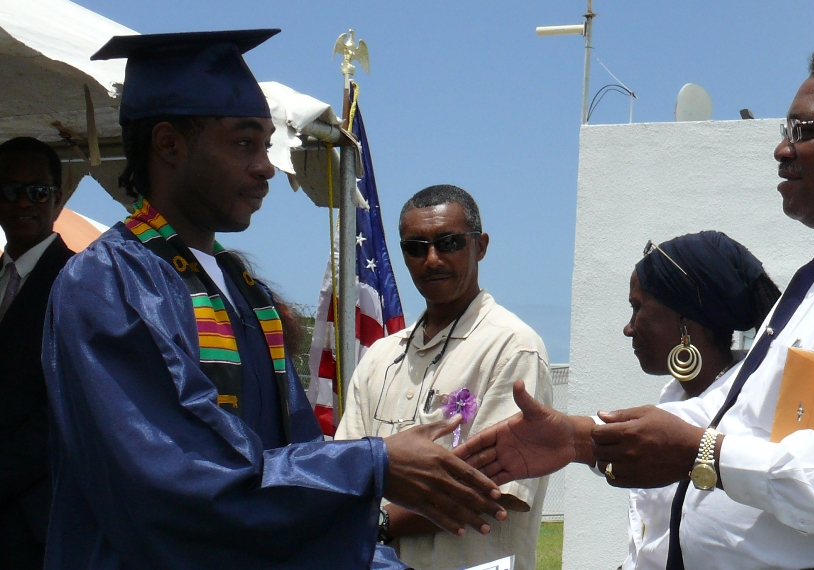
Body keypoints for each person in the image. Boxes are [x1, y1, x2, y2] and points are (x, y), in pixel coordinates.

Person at [458, 37, 814, 570]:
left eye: (805, 129)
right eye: (786, 128)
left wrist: (706, 456)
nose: (782, 148)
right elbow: (738, 415)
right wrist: (580, 438)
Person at [43, 30, 506, 570]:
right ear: (169, 145)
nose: (267, 166)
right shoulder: (107, 285)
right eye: (244, 143)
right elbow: (176, 481)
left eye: (266, 144)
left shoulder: (243, 291)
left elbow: (291, 468)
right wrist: (373, 465)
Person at [337, 184, 552, 570]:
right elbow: (345, 472)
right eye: (415, 247)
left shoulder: (513, 348)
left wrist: (376, 523)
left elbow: (487, 490)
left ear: (480, 246)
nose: (432, 259)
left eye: (449, 242)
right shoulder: (381, 358)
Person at [616, 232, 779, 570]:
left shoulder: (753, 416)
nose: (628, 328)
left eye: (638, 308)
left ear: (684, 322)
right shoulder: (675, 400)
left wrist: (571, 440)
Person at [0, 137, 74, 570]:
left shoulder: (81, 281)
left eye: (38, 191)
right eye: (9, 191)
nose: (23, 202)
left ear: (57, 199)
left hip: (37, 524)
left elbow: (63, 409)